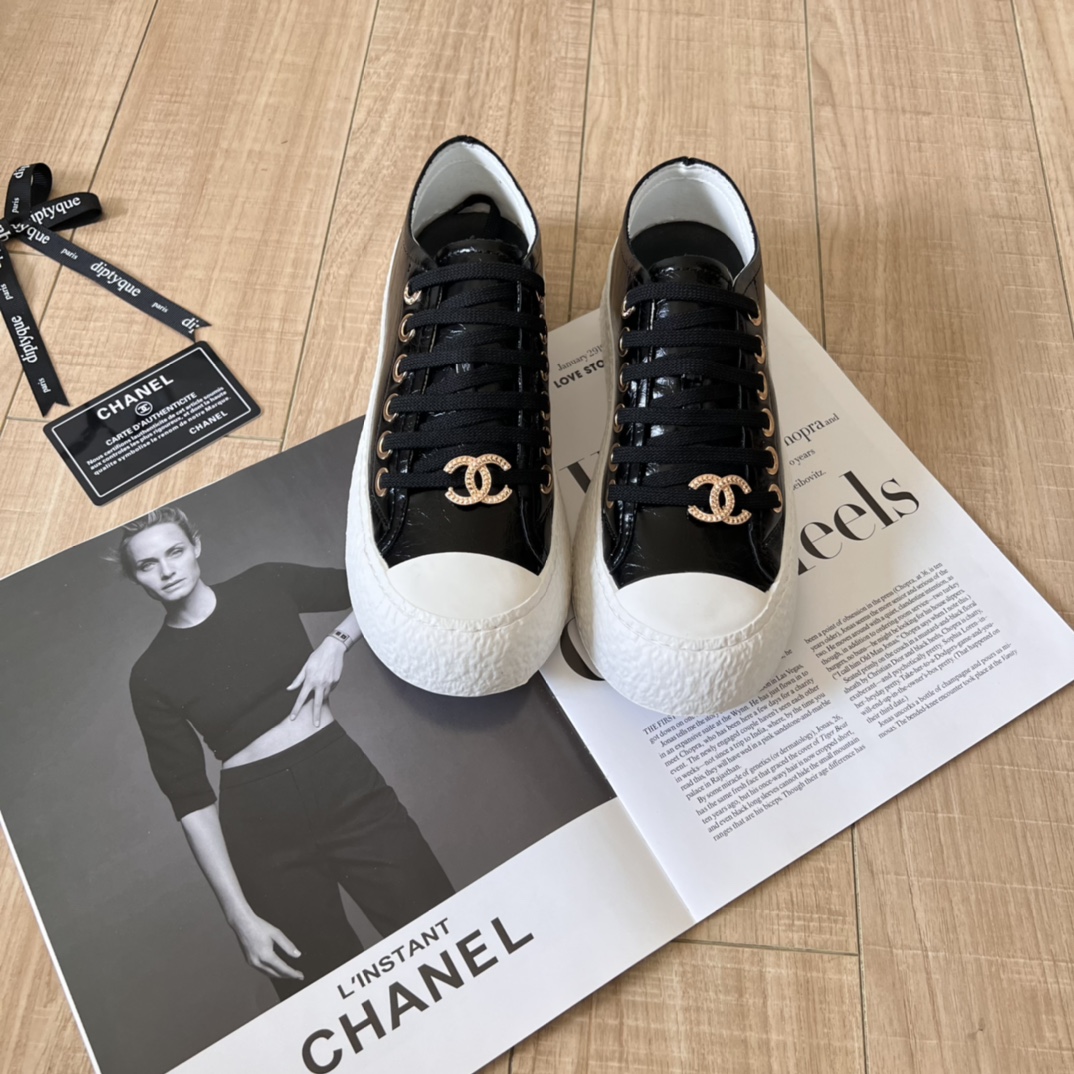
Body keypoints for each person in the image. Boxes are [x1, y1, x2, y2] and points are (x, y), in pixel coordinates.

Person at [119, 506, 454, 1000]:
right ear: (135, 577)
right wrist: (239, 917)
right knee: (323, 999)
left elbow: (384, 581)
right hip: (261, 830)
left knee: (444, 933)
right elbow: (190, 801)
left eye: (174, 552)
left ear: (196, 547)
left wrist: (337, 642)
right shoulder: (149, 675)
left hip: (344, 786)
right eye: (148, 564)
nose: (167, 570)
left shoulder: (265, 584)